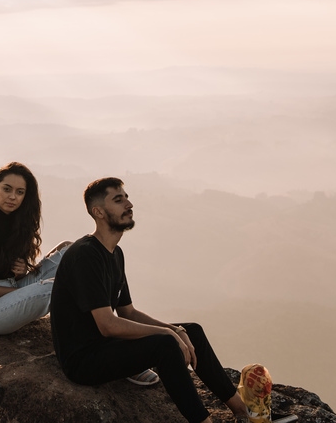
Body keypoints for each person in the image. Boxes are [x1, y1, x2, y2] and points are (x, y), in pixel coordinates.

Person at [49, 177, 253, 423]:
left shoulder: (115, 253)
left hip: (107, 346)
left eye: (126, 198)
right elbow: (107, 325)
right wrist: (168, 335)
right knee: (165, 345)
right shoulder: (86, 255)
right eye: (118, 200)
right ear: (98, 212)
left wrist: (175, 330)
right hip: (84, 361)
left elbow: (128, 312)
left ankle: (242, 410)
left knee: (192, 332)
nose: (129, 204)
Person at [0, 162, 71, 335]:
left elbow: (10, 273)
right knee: (54, 287)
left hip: (12, 291)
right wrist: (24, 291)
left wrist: (20, 273)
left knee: (70, 251)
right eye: (7, 189)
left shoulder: (19, 222)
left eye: (20, 192)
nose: (12, 197)